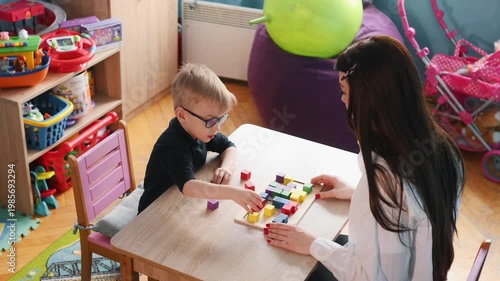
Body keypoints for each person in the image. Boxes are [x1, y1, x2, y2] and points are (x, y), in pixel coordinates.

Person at [264, 36, 465, 281]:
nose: (342, 100)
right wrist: (358, 192)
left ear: (369, 100)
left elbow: (371, 278)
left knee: (286, 268)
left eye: (344, 91)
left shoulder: (385, 182)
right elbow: (413, 211)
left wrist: (313, 244)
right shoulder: (443, 149)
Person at [138, 63, 263, 214]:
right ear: (182, 115)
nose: (217, 128)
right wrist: (232, 193)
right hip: (153, 214)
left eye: (220, 119)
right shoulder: (171, 146)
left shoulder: (200, 131)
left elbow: (229, 146)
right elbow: (189, 186)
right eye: (210, 120)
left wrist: (226, 167)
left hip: (180, 204)